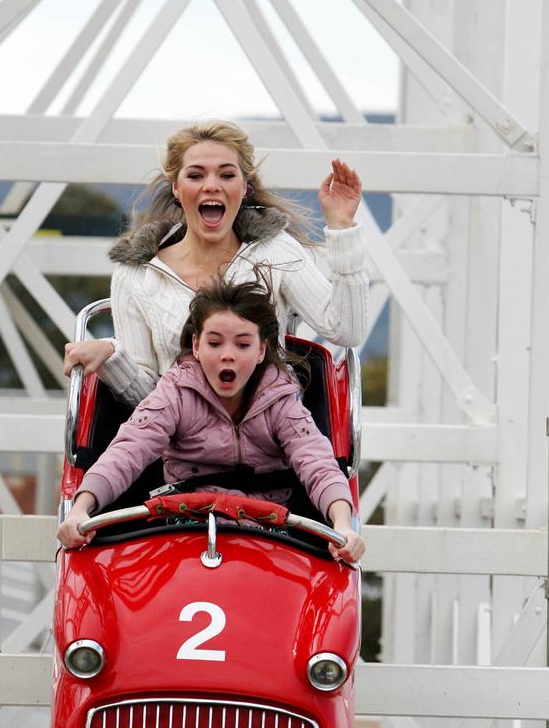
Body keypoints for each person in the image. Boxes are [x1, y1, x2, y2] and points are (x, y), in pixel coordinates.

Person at [63, 121, 368, 409]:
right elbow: (146, 395)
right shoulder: (135, 275)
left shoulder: (275, 251)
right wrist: (111, 357)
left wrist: (341, 227)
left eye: (226, 175)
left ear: (244, 187)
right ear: (176, 189)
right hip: (181, 445)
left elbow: (346, 330)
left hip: (270, 436)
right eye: (195, 176)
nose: (211, 186)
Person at [58, 277, 364, 564]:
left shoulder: (281, 398)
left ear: (261, 350)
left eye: (242, 345)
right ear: (196, 346)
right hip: (183, 526)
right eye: (215, 343)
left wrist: (342, 525)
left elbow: (317, 462)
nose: (227, 356)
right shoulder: (176, 391)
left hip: (267, 531)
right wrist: (81, 509)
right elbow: (129, 450)